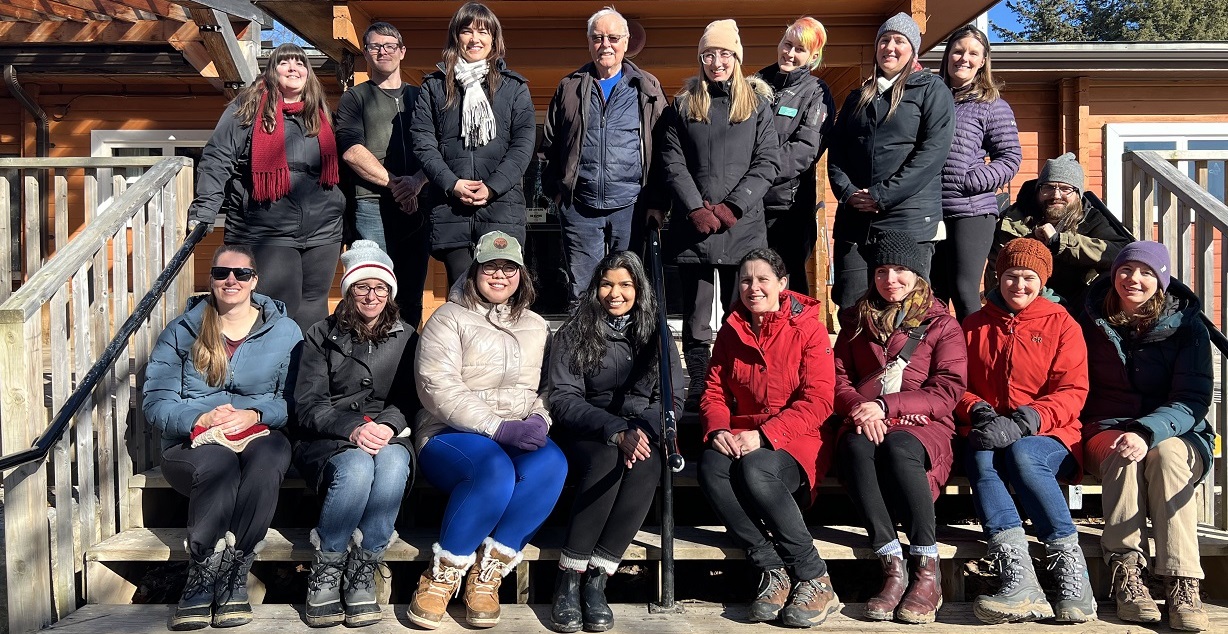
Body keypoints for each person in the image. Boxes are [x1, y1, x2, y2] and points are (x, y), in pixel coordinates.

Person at [409, 231, 566, 629]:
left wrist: (538, 419)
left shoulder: (535, 325)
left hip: (514, 430)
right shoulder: (447, 318)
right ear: (475, 269)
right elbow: (437, 386)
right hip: (449, 433)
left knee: (552, 463)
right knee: (493, 468)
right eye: (491, 267)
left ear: (521, 274)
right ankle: (442, 575)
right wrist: (496, 427)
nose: (500, 275)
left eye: (509, 267)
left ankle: (489, 572)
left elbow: (549, 387)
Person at [143, 245, 302, 630]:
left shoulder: (285, 331)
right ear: (211, 279)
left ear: (254, 281)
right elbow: (156, 401)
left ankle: (236, 569)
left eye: (241, 274)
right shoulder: (184, 329)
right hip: (192, 441)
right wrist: (202, 415)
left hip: (260, 432)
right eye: (221, 273)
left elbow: (294, 400)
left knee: (266, 464)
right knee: (219, 465)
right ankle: (203, 568)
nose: (231, 280)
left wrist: (254, 413)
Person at [698, 248, 839, 628]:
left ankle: (814, 577)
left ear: (782, 284)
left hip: (799, 436)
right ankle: (771, 568)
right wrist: (719, 429)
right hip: (744, 433)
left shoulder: (808, 327)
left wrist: (765, 435)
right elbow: (714, 391)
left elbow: (820, 399)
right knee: (712, 465)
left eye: (762, 279)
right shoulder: (732, 329)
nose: (753, 287)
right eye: (745, 280)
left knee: (757, 468)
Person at [958, 238, 1096, 624]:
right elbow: (954, 383)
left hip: (1052, 432)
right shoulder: (974, 324)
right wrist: (978, 409)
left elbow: (1073, 390)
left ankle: (1073, 575)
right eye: (1012, 276)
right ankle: (1020, 581)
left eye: (1029, 277)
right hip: (988, 428)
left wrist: (1026, 420)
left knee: (1023, 455)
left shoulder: (1061, 323)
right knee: (982, 457)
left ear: (1043, 281)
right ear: (998, 277)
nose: (1019, 285)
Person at [832, 231, 967, 624]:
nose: (890, 279)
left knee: (899, 448)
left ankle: (927, 566)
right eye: (882, 271)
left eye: (901, 270)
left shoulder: (942, 324)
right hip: (867, 419)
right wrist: (859, 408)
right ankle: (891, 563)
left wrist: (883, 406)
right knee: (855, 448)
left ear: (918, 274)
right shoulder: (856, 321)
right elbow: (838, 377)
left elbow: (948, 390)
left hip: (922, 422)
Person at [546, 251, 684, 633]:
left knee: (649, 464)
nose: (615, 293)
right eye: (607, 283)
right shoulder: (575, 330)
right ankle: (569, 577)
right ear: (596, 287)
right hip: (588, 430)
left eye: (626, 284)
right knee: (607, 458)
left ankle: (597, 579)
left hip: (641, 426)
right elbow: (563, 398)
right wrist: (613, 429)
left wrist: (643, 430)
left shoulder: (656, 332)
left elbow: (671, 396)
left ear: (639, 289)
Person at [1080, 241, 1213, 632]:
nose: (1132, 279)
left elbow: (1192, 399)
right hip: (1106, 427)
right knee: (1125, 452)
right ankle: (1127, 574)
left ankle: (1181, 581)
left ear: (1162, 279)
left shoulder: (1188, 327)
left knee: (1168, 456)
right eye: (1125, 270)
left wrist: (1146, 430)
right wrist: (1129, 433)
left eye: (1145, 272)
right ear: (1113, 274)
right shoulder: (1089, 317)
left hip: (1178, 430)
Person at [292, 241, 418, 628]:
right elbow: (308, 404)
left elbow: (411, 399)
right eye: (362, 286)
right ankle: (328, 566)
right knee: (358, 470)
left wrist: (387, 426)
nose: (372, 295)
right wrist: (352, 430)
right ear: (348, 290)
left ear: (390, 291)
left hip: (387, 430)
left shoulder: (407, 334)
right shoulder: (320, 334)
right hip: (330, 435)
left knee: (395, 464)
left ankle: (365, 564)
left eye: (380, 287)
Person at [658, 19, 780, 411]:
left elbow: (767, 163)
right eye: (709, 54)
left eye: (725, 54)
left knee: (739, 311)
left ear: (737, 57)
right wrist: (695, 207)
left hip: (742, 229)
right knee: (695, 318)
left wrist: (732, 207)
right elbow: (672, 161)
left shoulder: (758, 107)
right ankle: (698, 389)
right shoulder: (683, 105)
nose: (717, 62)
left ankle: (735, 386)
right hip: (695, 228)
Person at [188, 43, 345, 332]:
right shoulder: (246, 109)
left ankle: (307, 376)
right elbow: (218, 157)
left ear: (308, 75)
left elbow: (336, 170)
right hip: (266, 227)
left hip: (323, 229)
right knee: (279, 306)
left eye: (300, 63)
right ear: (272, 72)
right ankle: (275, 373)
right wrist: (205, 209)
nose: (293, 68)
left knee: (315, 307)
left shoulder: (320, 113)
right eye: (285, 63)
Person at [540, 7, 668, 304]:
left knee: (627, 289)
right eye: (597, 38)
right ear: (589, 42)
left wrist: (658, 203)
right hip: (580, 209)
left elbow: (664, 151)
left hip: (632, 208)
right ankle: (586, 351)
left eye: (612, 37)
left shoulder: (647, 88)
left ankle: (624, 350)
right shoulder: (569, 87)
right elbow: (549, 145)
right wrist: (558, 195)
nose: (605, 44)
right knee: (584, 292)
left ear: (626, 42)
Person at [827, 13, 955, 309]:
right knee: (851, 305)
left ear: (913, 50)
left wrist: (882, 195)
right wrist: (847, 193)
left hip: (908, 218)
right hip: (855, 219)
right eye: (884, 40)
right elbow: (837, 153)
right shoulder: (857, 97)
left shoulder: (932, 90)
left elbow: (932, 153)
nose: (890, 47)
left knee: (905, 306)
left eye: (900, 41)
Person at [410, 2, 536, 287]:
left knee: (499, 292)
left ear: (495, 39)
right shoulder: (434, 87)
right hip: (451, 208)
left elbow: (523, 144)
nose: (475, 39)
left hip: (502, 209)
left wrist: (492, 186)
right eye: (467, 31)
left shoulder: (514, 88)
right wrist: (451, 183)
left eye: (483, 32)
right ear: (456, 36)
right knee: (461, 291)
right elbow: (423, 142)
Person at [334, 22, 432, 328]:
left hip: (420, 205)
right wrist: (396, 185)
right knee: (374, 291)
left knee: (412, 291)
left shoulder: (424, 97)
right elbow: (351, 150)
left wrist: (417, 182)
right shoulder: (355, 98)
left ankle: (405, 361)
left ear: (402, 52)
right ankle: (372, 358)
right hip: (371, 206)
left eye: (390, 45)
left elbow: (441, 148)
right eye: (375, 46)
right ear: (366, 53)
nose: (383, 51)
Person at [933, 24, 1022, 321]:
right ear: (947, 57)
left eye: (973, 53)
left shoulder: (991, 105)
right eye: (958, 51)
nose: (964, 58)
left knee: (963, 289)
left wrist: (970, 181)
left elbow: (1010, 158)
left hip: (971, 211)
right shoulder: (931, 99)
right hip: (930, 210)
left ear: (983, 61)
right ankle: (940, 361)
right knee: (932, 293)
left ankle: (975, 362)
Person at [989, 152, 1130, 312]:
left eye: (1065, 189)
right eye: (1048, 187)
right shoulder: (1015, 219)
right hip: (1024, 301)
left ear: (1078, 194)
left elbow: (1120, 253)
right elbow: (997, 269)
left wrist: (1061, 241)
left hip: (1082, 304)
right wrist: (1032, 239)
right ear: (1038, 190)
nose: (1056, 195)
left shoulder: (1092, 219)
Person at [755, 17, 836, 295]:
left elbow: (804, 149)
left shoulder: (816, 93)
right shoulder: (755, 84)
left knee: (787, 284)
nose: (789, 53)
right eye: (787, 44)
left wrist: (759, 173)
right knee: (751, 280)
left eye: (799, 49)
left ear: (813, 56)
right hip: (748, 204)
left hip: (786, 208)